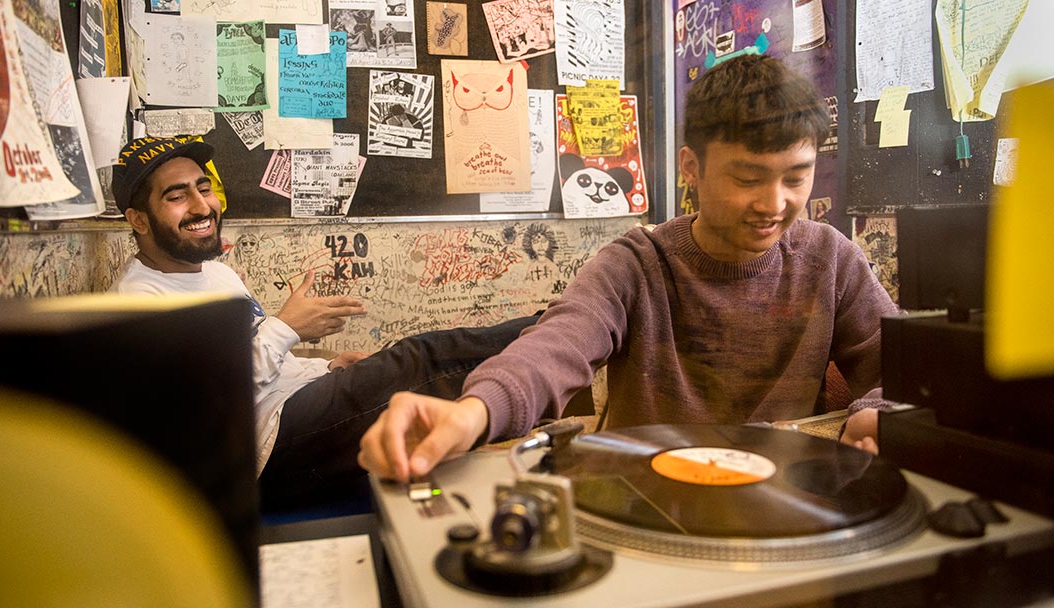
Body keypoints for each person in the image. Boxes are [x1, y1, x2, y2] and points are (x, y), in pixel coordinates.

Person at [359, 54, 898, 483]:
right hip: (644, 502)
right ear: (692, 167)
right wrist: (474, 411)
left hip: (783, 504)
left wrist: (877, 412)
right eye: (748, 177)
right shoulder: (636, 265)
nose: (775, 203)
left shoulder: (832, 259)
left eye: (796, 178)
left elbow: (904, 370)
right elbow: (557, 346)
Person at [109, 136, 537, 508]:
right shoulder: (136, 302)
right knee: (417, 362)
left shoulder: (213, 272)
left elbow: (267, 365)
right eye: (177, 196)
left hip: (290, 410)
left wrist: (324, 368)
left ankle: (551, 342)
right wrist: (286, 327)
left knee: (404, 365)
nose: (202, 206)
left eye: (204, 188)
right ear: (138, 220)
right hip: (259, 454)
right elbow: (203, 405)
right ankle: (556, 334)